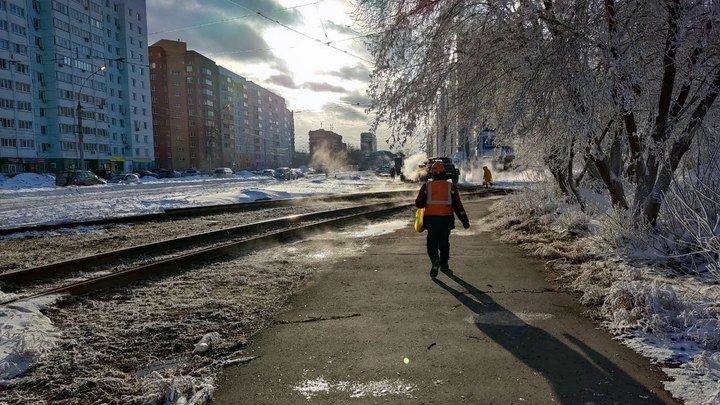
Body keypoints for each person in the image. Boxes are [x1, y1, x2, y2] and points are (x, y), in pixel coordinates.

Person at [415, 161, 470, 278]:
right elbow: (458, 206)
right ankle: (444, 264)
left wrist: (426, 201)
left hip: (431, 220)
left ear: (432, 174)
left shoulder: (426, 187)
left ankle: (435, 260)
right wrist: (465, 220)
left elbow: (418, 204)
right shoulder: (451, 187)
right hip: (446, 219)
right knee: (444, 242)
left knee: (432, 243)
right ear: (445, 173)